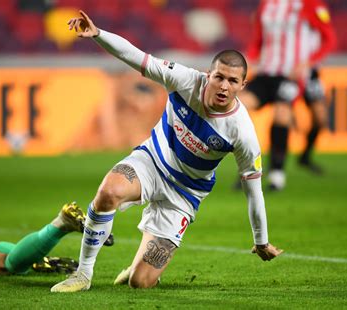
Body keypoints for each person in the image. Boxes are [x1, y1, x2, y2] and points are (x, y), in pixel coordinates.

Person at [50, 10, 282, 293]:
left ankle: (141, 270)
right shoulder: (184, 80)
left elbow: (253, 189)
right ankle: (83, 274)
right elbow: (134, 56)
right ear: (208, 74)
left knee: (140, 283)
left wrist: (261, 240)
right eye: (219, 77)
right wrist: (98, 34)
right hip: (152, 161)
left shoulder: (242, 131)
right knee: (110, 191)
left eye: (233, 81)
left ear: (243, 85)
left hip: (185, 194)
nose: (224, 86)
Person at [240, 0, 336, 190]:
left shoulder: (309, 4)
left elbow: (329, 39)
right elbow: (258, 38)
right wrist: (249, 60)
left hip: (298, 73)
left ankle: (289, 166)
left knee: (318, 117)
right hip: (267, 72)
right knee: (240, 106)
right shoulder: (266, 5)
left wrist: (308, 63)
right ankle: (247, 167)